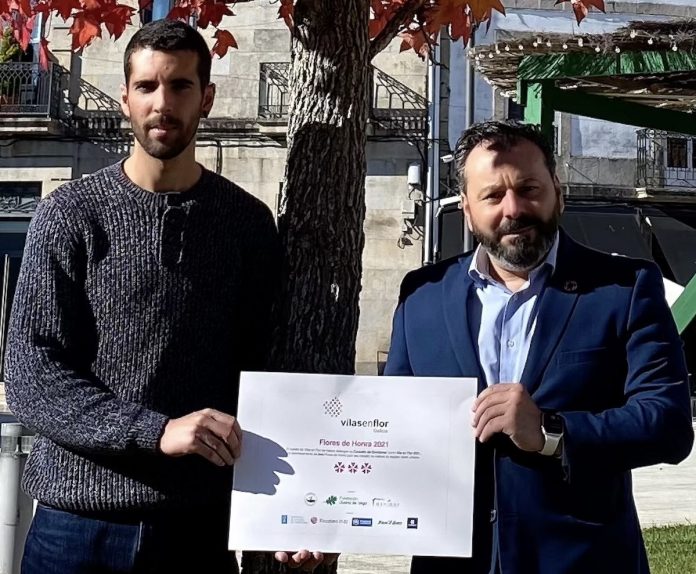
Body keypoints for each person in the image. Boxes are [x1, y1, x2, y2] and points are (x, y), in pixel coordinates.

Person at [5, 19, 329, 574]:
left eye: (180, 85)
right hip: (75, 526)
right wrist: (156, 432)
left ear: (207, 98)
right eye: (147, 86)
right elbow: (32, 375)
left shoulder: (246, 224)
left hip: (196, 529)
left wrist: (295, 510)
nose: (163, 103)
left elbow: (267, 373)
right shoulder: (70, 214)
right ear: (125, 98)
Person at [384, 120, 694, 574]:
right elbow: (391, 429)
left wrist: (551, 430)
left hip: (582, 562)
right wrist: (328, 524)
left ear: (557, 194)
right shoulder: (421, 295)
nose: (513, 209)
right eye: (493, 196)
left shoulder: (624, 289)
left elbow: (667, 425)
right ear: (467, 209)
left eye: (528, 189)